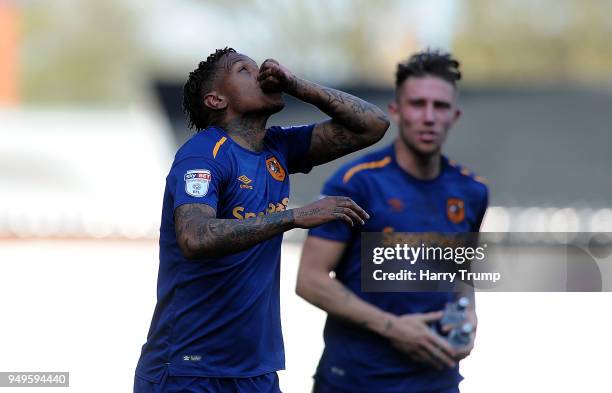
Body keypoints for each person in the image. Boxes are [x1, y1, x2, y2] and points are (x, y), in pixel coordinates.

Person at [133, 47, 389, 393]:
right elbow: (196, 237)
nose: (262, 74)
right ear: (216, 99)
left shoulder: (279, 147)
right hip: (189, 368)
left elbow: (373, 125)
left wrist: (299, 86)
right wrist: (295, 216)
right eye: (244, 70)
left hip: (255, 371)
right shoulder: (202, 154)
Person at [296, 49, 488, 393]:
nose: (429, 116)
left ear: (454, 116)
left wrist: (469, 313)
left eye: (440, 106)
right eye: (418, 104)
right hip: (357, 381)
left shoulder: (471, 191)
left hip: (437, 381)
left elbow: (460, 271)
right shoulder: (357, 182)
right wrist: (391, 327)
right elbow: (309, 280)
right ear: (397, 112)